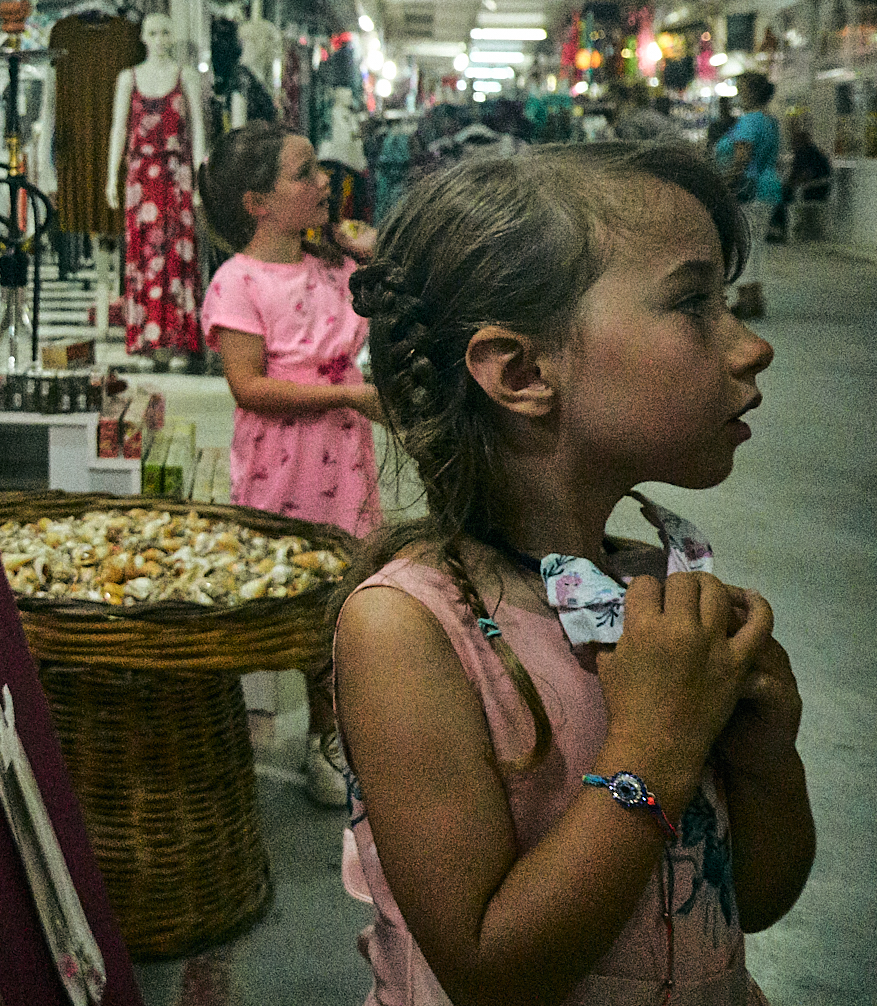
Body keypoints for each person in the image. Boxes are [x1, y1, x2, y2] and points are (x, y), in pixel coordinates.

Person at [334, 143, 811, 1006]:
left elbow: (757, 901)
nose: (754, 346)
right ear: (521, 371)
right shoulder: (410, 630)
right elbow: (490, 971)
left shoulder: (656, 593)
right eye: (695, 303)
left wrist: (767, 751)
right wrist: (657, 744)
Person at [199, 122, 384, 806]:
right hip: (283, 460)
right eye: (303, 172)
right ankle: (228, 729)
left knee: (344, 597)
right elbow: (248, 386)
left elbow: (406, 293)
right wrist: (347, 393)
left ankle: (328, 733)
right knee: (280, 593)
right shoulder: (238, 281)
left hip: (345, 458)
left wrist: (366, 252)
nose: (322, 183)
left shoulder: (333, 265)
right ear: (258, 202)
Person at [106, 12, 207, 369]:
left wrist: (198, 179)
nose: (160, 38)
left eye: (166, 31)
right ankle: (146, 342)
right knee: (143, 256)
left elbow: (197, 132)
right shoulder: (127, 79)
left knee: (178, 256)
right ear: (144, 37)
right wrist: (111, 179)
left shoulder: (186, 77)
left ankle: (179, 341)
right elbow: (119, 131)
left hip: (175, 173)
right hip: (140, 177)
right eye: (153, 32)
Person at [715, 73, 781, 319]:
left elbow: (742, 155)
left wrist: (725, 181)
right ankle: (754, 297)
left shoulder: (750, 121)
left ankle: (747, 299)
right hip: (767, 188)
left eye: (741, 89)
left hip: (748, 190)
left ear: (751, 92)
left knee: (743, 244)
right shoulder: (770, 121)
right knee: (755, 244)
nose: (738, 95)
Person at [767, 120, 832, 243]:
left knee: (784, 195)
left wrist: (791, 184)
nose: (792, 145)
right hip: (810, 187)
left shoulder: (810, 154)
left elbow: (806, 175)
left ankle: (778, 227)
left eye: (795, 142)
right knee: (782, 194)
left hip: (815, 189)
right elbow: (796, 174)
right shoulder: (803, 153)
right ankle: (778, 226)